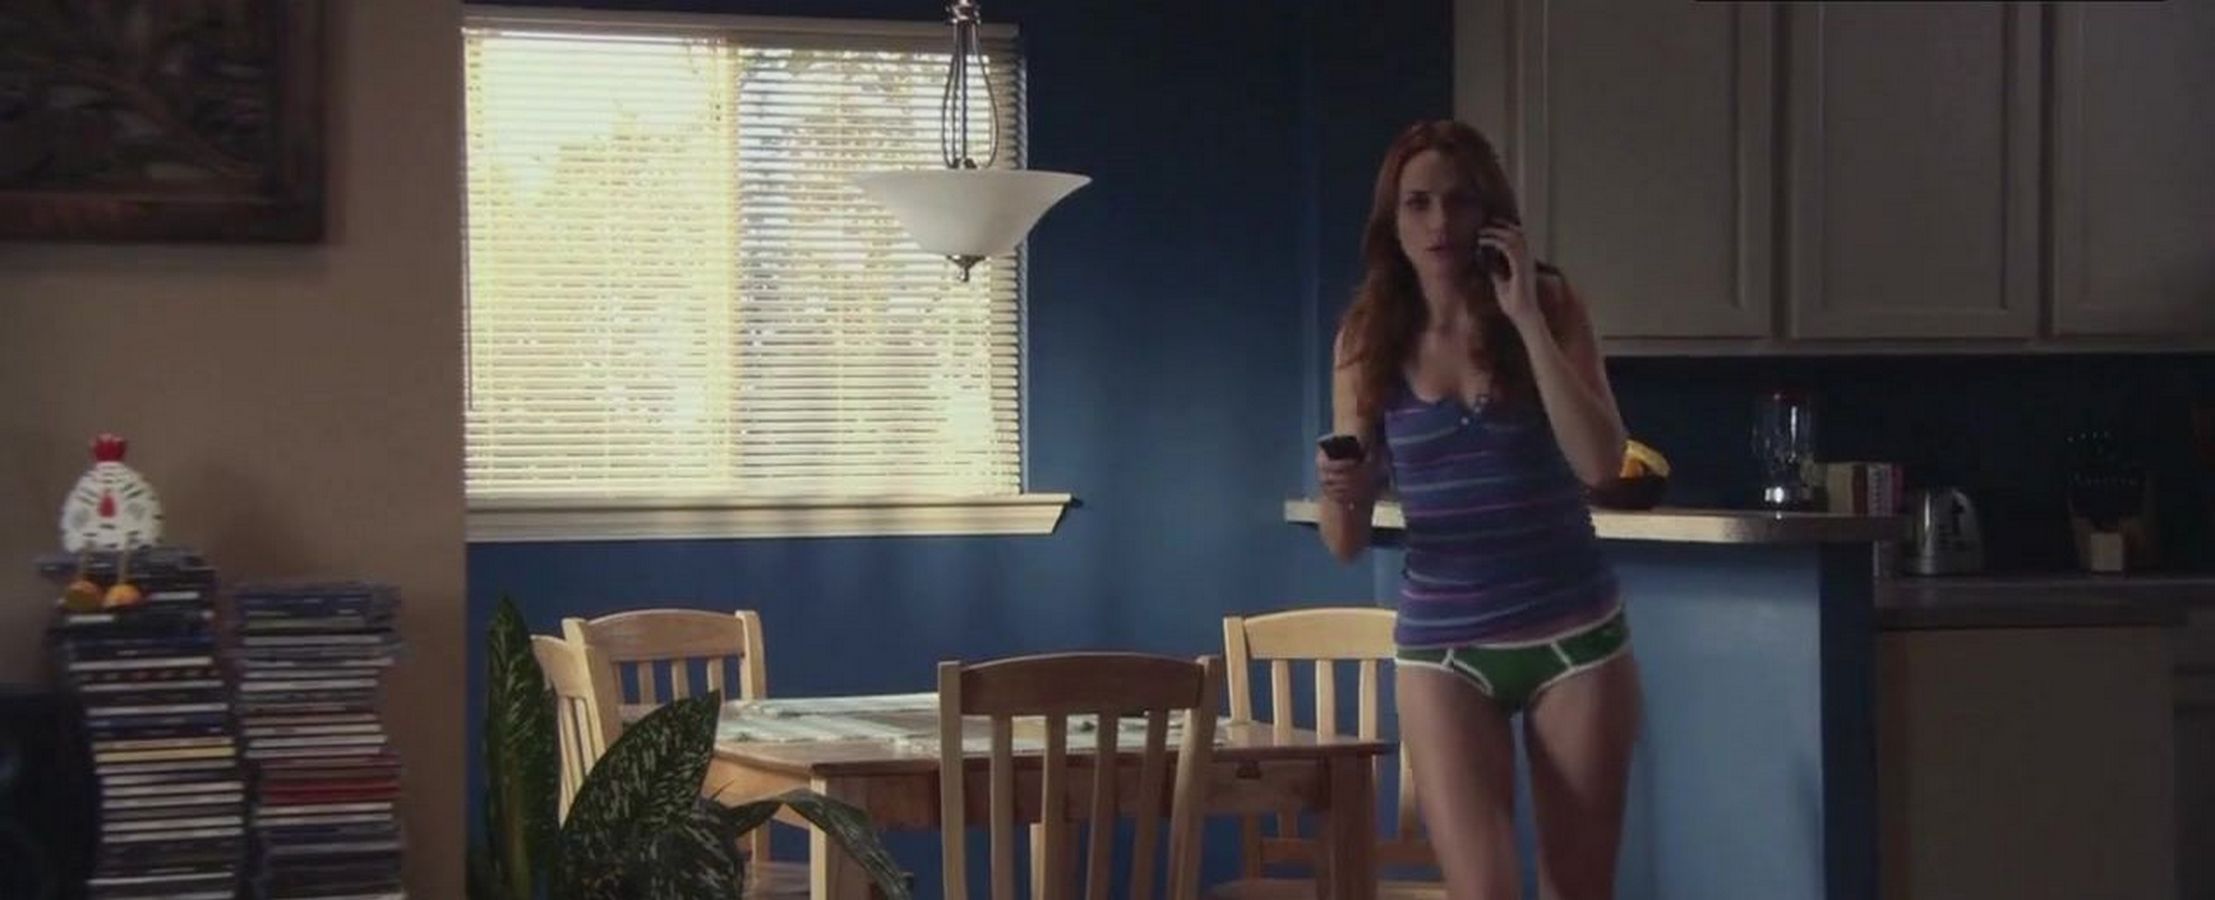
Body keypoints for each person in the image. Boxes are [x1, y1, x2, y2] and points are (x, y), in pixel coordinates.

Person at [1314, 119, 1638, 900]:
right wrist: (1341, 490)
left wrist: (1524, 317)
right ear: (1392, 221)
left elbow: (1601, 463)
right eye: (1417, 203)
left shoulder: (1550, 304)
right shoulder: (1366, 339)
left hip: (1574, 637)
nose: (1439, 223)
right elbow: (1343, 544)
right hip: (1444, 650)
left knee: (1578, 891)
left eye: (1459, 202)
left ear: (1490, 215)